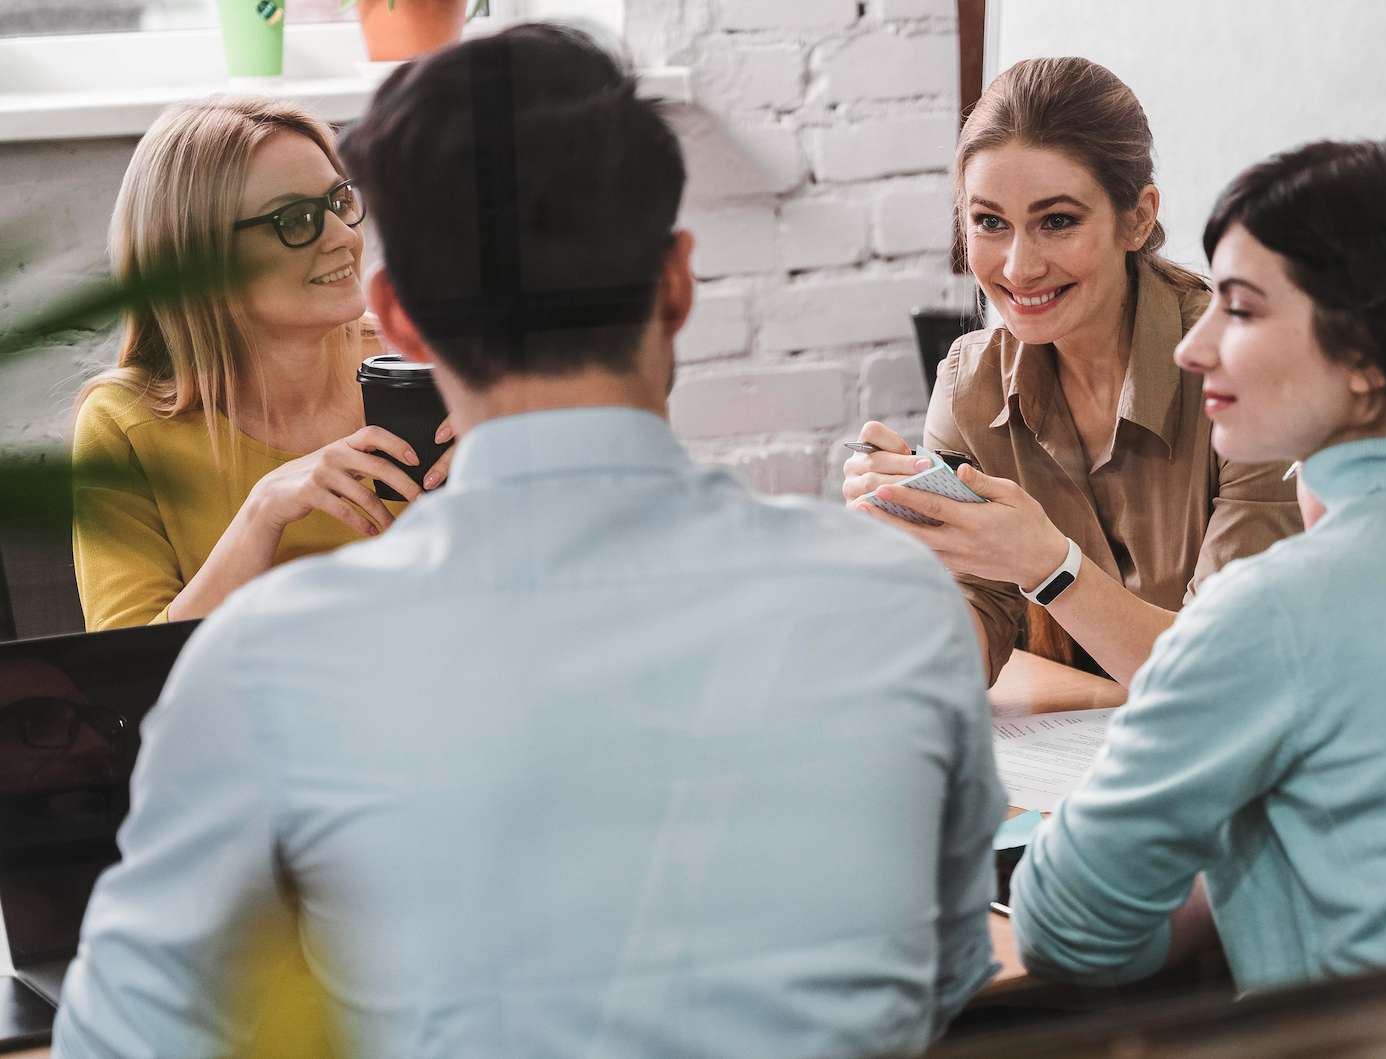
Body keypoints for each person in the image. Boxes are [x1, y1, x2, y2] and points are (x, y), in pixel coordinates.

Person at [52, 25, 1005, 1059]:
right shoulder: (901, 603)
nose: (330, 237)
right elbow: (950, 969)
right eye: (292, 220)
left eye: (338, 205)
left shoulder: (260, 665)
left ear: (395, 324)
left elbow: (118, 1039)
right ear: (678, 285)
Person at [1006, 138, 1386, 991]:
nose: (1192, 348)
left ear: (1366, 356)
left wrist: (1226, 873)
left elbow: (1063, 928)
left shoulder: (1274, 612)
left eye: (1240, 308)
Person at [844, 58, 1302, 707]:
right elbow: (970, 638)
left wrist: (1048, 566)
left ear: (1137, 218)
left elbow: (1226, 676)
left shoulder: (1245, 373)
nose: (1018, 267)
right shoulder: (970, 383)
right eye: (989, 222)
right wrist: (901, 563)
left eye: (1056, 221)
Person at [71, 96, 454, 631]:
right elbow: (128, 667)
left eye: (338, 200)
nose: (344, 236)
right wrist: (262, 514)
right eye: (295, 220)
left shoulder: (428, 360)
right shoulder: (122, 424)